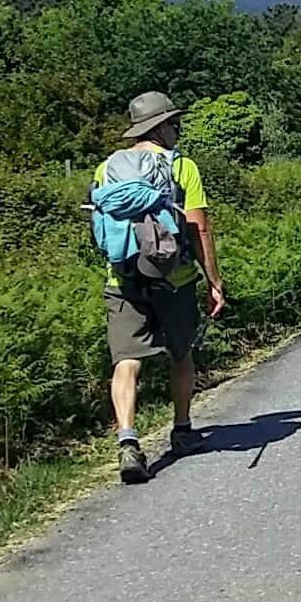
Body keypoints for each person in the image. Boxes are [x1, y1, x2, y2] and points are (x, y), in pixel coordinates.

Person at [95, 92, 226, 483]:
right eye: (173, 124)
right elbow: (198, 226)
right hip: (175, 278)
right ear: (160, 128)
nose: (177, 131)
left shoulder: (107, 168)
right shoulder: (182, 167)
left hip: (122, 278)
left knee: (126, 362)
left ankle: (128, 442)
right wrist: (214, 280)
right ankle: (182, 431)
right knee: (181, 353)